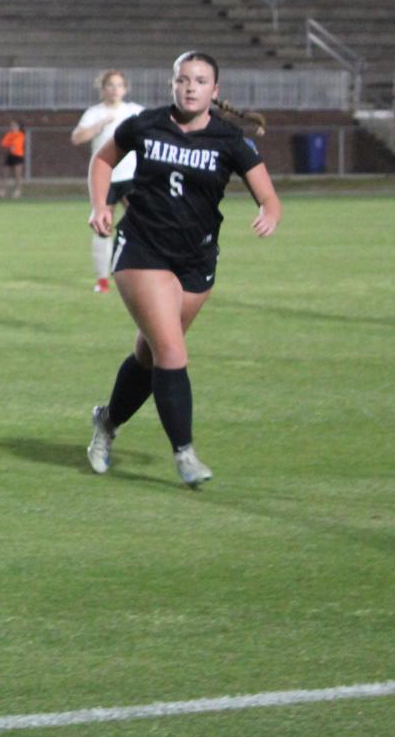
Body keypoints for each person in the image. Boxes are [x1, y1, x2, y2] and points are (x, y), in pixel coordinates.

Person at [84, 52, 279, 488]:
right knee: (171, 353)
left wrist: (269, 212)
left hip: (196, 261)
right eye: (183, 79)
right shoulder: (146, 124)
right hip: (143, 250)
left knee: (149, 356)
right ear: (172, 85)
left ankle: (107, 422)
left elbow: (269, 195)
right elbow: (102, 161)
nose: (190, 87)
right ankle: (185, 454)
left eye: (200, 80)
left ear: (215, 90)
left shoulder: (230, 139)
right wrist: (100, 205)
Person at [72, 70, 144, 293]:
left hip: (132, 177)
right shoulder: (95, 113)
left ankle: (140, 273)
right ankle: (102, 280)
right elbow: (77, 138)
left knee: (143, 225)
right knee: (103, 226)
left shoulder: (134, 112)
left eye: (119, 85)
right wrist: (98, 126)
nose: (114, 90)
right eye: (110, 85)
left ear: (125, 88)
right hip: (106, 178)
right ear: (102, 89)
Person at [0, 120, 27, 198]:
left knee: (17, 174)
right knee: (4, 174)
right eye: (11, 125)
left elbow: (16, 145)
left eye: (14, 126)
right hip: (9, 155)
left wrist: (11, 144)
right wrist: (10, 145)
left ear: (18, 127)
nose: (12, 127)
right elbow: (4, 143)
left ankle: (18, 191)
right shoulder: (8, 134)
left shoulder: (21, 135)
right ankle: (2, 191)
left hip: (18, 156)